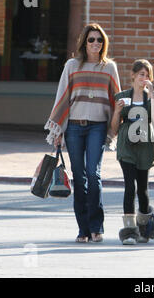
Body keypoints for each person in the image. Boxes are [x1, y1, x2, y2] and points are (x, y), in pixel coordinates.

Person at [44, 23, 121, 243]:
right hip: (75, 128)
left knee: (93, 174)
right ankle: (83, 229)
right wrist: (58, 130)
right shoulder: (72, 65)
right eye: (91, 40)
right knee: (79, 177)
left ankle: (97, 226)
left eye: (99, 40)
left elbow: (117, 100)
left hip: (98, 126)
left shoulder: (109, 68)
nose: (95, 43)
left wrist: (116, 126)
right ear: (84, 43)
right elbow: (63, 96)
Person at [111, 59, 154, 245]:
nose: (144, 78)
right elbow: (114, 129)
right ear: (132, 75)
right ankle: (129, 230)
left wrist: (153, 96)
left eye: (147, 75)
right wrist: (117, 112)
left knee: (143, 189)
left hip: (145, 145)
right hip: (127, 145)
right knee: (129, 186)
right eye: (141, 74)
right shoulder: (122, 96)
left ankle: (144, 227)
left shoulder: (153, 96)